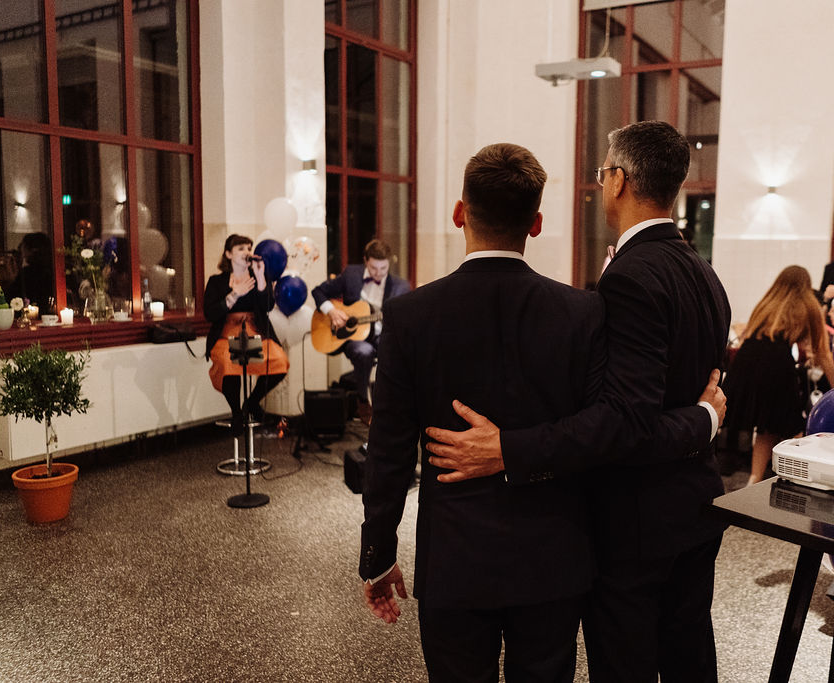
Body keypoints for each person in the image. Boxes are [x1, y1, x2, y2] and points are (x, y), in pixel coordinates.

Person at [426, 121, 731, 682]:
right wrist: (706, 417)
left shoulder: (631, 277)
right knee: (690, 655)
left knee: (626, 664)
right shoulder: (705, 273)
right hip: (695, 508)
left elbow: (625, 422)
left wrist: (701, 419)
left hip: (635, 518)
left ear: (617, 181)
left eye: (600, 176)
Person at [359, 143, 606, 681]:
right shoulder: (582, 313)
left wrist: (378, 551)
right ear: (536, 224)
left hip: (456, 559)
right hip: (552, 558)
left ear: (458, 213)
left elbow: (390, 449)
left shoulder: (411, 316)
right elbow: (598, 432)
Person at [723, 265, 834, 485]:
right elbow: (822, 352)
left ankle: (754, 478)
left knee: (765, 425)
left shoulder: (767, 302)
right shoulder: (808, 305)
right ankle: (801, 479)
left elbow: (747, 335)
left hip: (746, 361)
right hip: (776, 364)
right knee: (789, 426)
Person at [311, 239, 410, 419]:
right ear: (366, 261)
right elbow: (318, 292)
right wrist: (331, 311)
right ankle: (363, 401)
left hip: (382, 335)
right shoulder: (351, 274)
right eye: (373, 268)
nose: (378, 274)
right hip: (353, 337)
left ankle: (393, 406)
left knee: (398, 352)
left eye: (383, 269)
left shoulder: (400, 287)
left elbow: (405, 321)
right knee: (364, 352)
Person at [204, 234, 289, 427]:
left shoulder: (258, 276)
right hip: (227, 334)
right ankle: (236, 412)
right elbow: (210, 313)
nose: (247, 252)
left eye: (249, 248)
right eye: (241, 248)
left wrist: (260, 277)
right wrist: (235, 294)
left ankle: (251, 403)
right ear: (228, 254)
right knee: (228, 362)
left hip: (253, 332)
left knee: (279, 361)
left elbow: (267, 305)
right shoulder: (217, 281)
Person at [7, 232, 54, 311]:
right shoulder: (52, 270)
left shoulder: (28, 273)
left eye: (23, 247)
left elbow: (12, 295)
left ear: (31, 250)